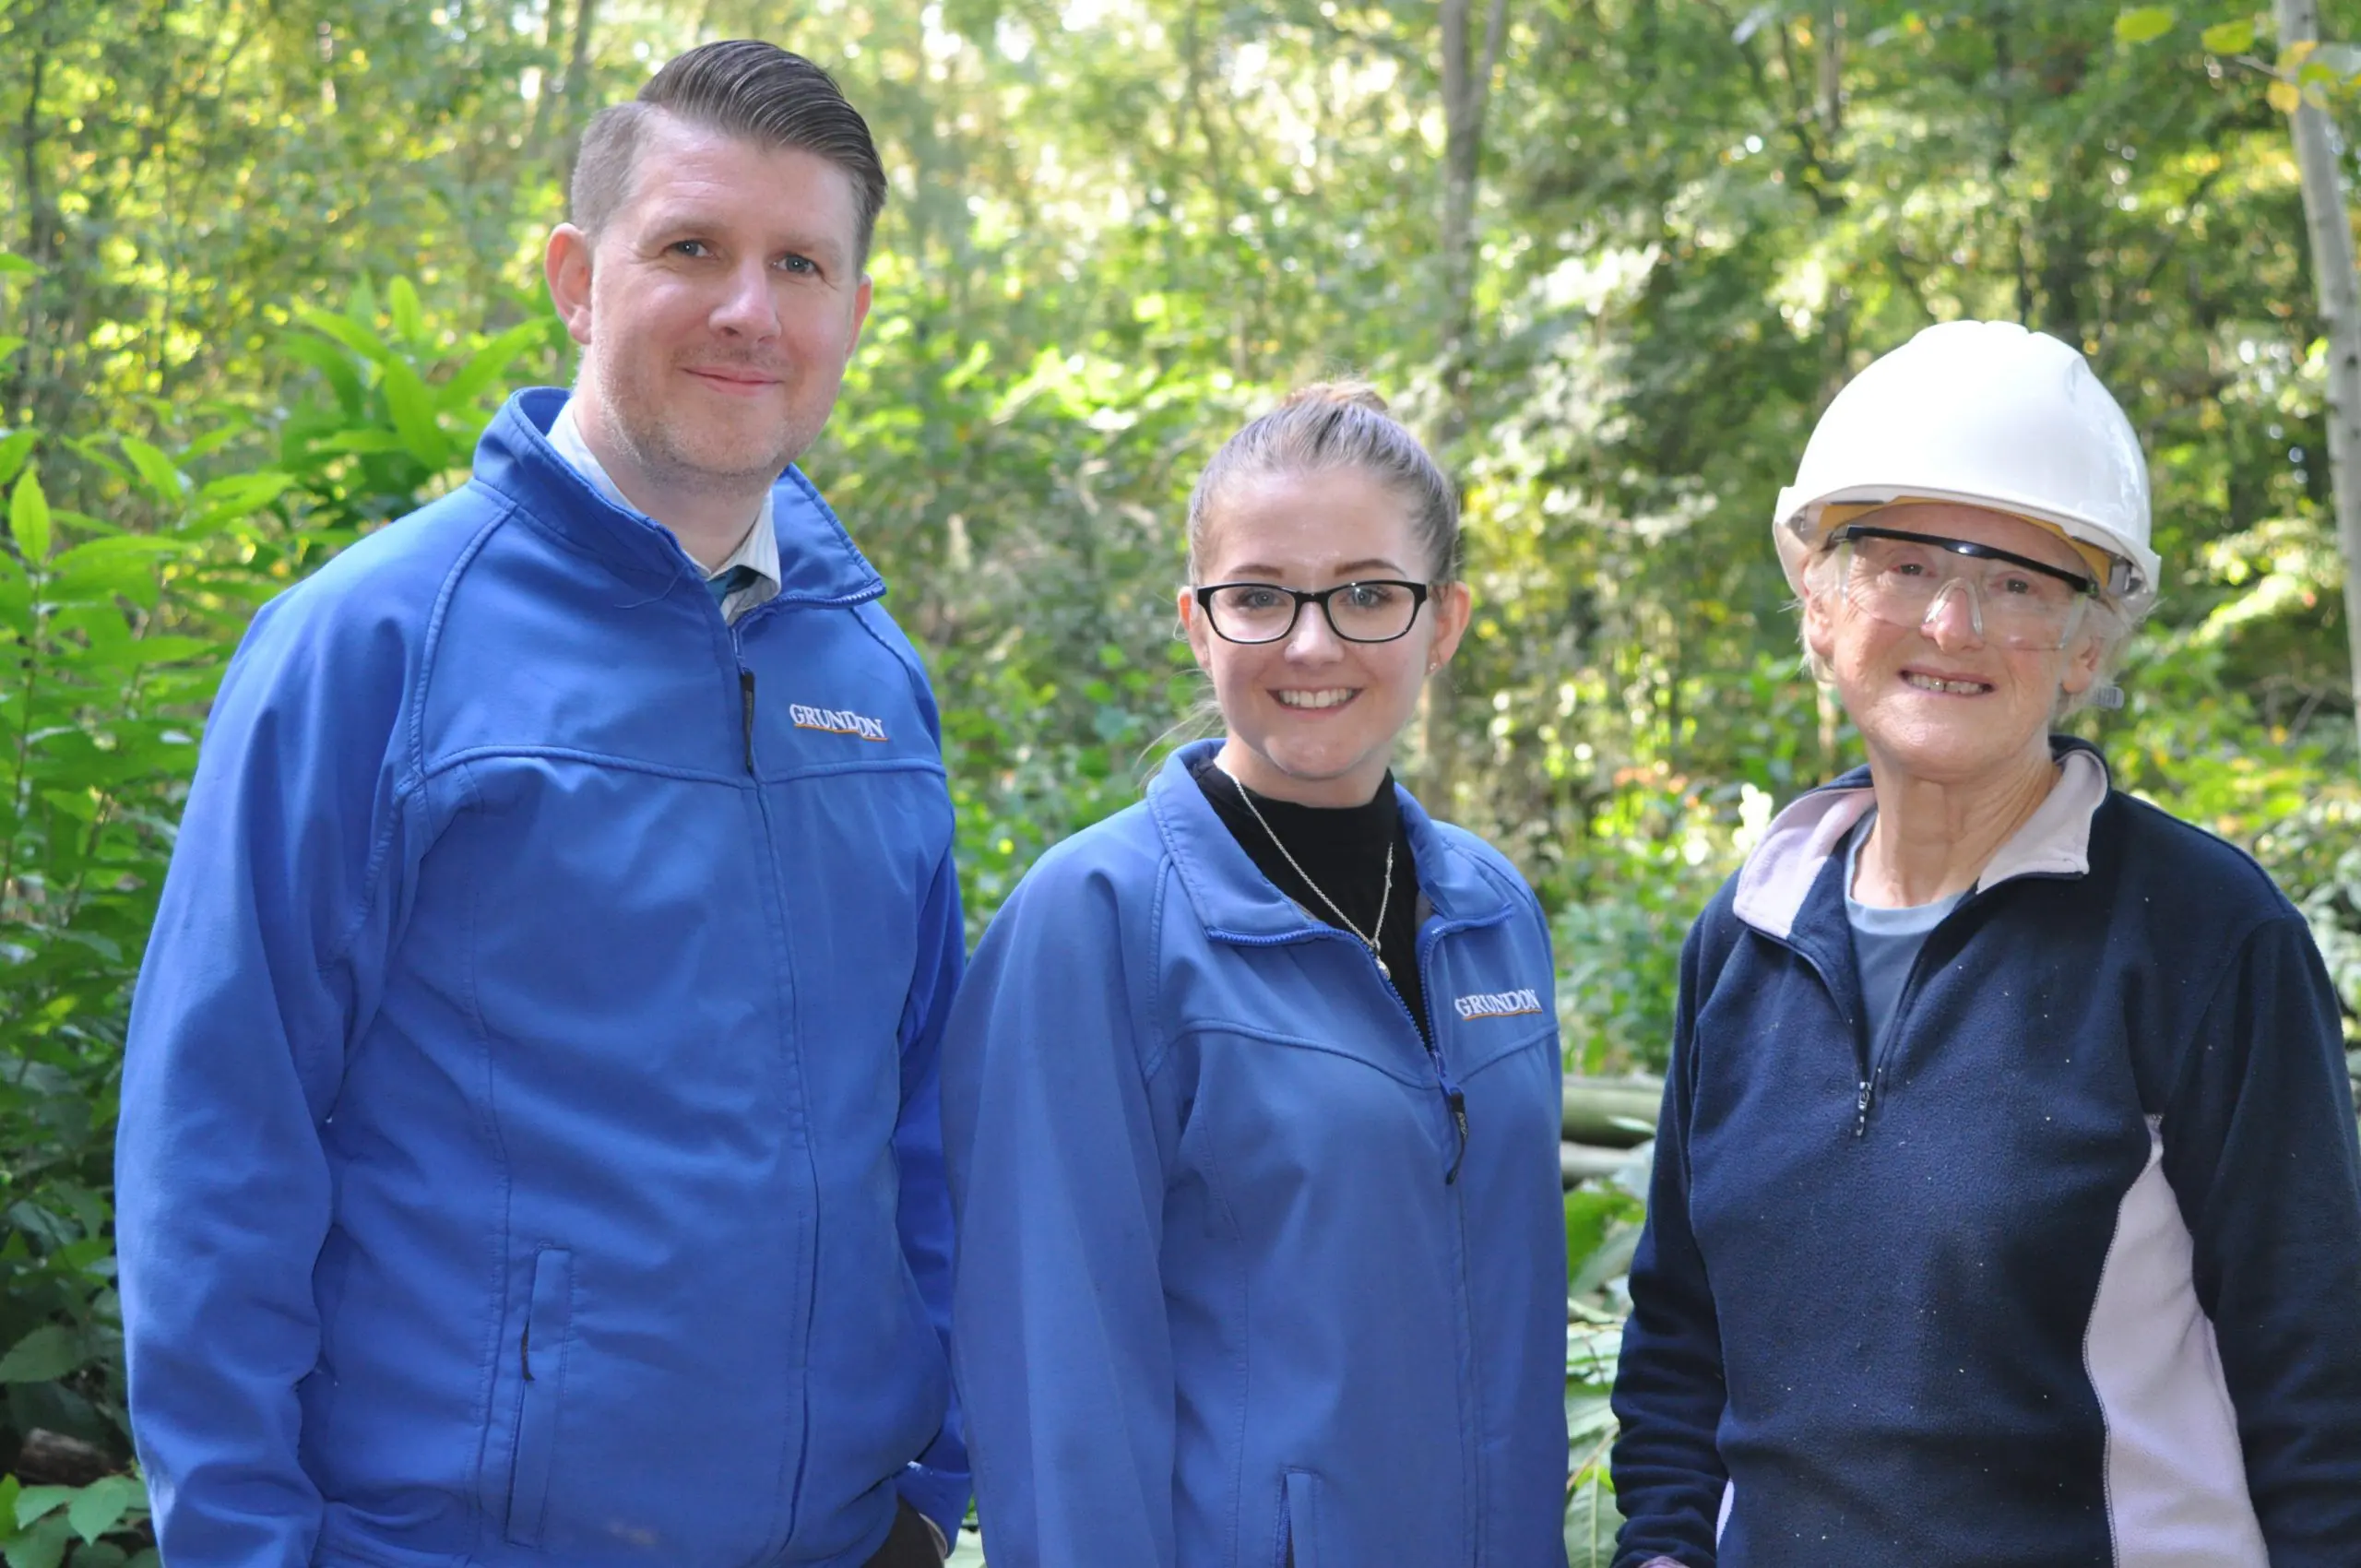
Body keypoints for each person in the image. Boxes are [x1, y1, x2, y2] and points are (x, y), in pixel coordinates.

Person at [115, 41, 965, 1568]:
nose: (748, 312)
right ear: (578, 276)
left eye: (801, 264)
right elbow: (218, 1134)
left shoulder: (874, 673)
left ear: (854, 308)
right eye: (691, 248)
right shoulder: (373, 646)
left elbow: (927, 1121)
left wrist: (935, 1489)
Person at [1609, 320, 2361, 1567]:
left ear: (2086, 648)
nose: (1952, 622)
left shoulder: (2204, 939)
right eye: (1901, 564)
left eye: (2019, 583)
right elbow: (1681, 1339)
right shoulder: (1746, 935)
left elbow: (2319, 1384)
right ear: (1820, 600)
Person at [939, 384, 1571, 1568]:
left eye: (1369, 594)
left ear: (1444, 622)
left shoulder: (1492, 914)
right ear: (1195, 620)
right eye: (1260, 597)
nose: (1312, 642)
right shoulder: (1096, 921)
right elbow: (1056, 1392)